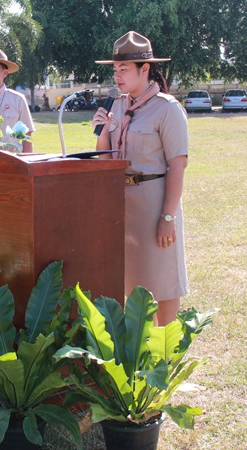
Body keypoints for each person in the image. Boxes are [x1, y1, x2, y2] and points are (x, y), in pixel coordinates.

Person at [91, 31, 189, 325]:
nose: (117, 76)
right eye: (115, 70)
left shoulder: (167, 108)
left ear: (144, 69)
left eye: (123, 69)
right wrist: (103, 131)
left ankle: (167, 343)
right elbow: (106, 159)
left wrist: (167, 217)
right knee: (132, 279)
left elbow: (177, 166)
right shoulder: (118, 105)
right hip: (123, 203)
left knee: (162, 277)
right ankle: (141, 344)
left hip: (154, 200)